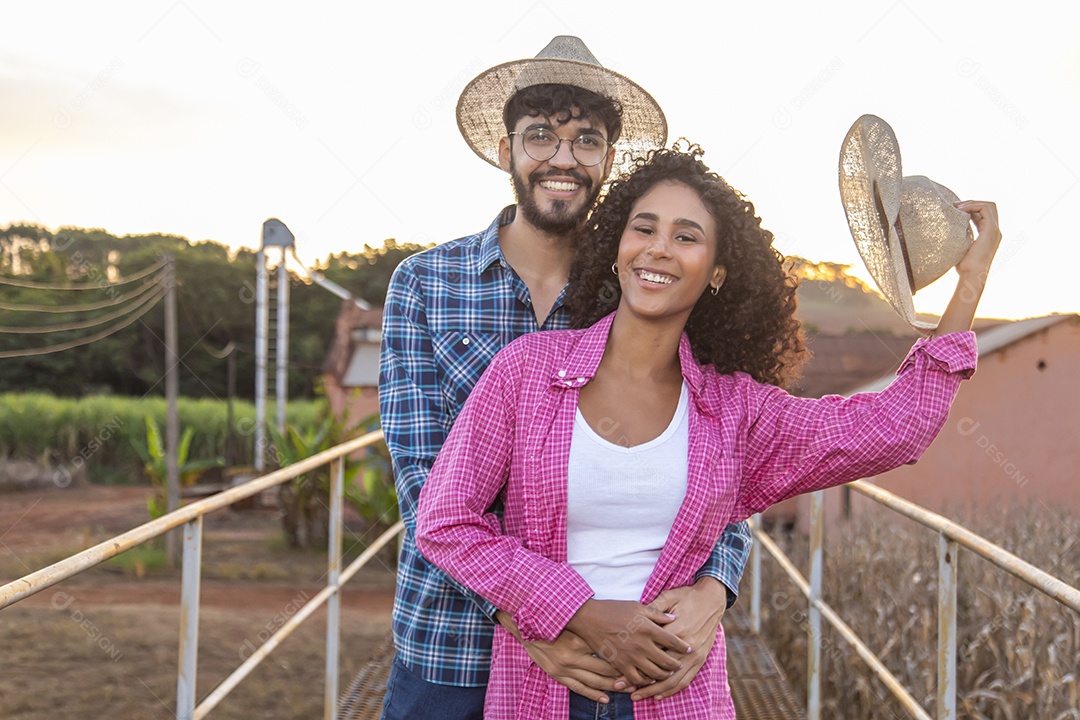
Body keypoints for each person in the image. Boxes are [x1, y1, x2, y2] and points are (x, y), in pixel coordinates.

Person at [415, 144, 1001, 719]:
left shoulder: (736, 412)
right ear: (617, 247)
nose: (659, 249)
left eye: (686, 236)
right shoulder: (527, 371)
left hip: (677, 699)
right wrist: (581, 611)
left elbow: (897, 428)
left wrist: (969, 284)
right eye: (643, 229)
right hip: (540, 692)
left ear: (717, 272)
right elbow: (446, 521)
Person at [378, 38, 753, 719]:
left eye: (586, 140)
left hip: (617, 658)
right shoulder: (425, 285)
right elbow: (422, 482)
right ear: (506, 150)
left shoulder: (646, 285)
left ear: (608, 161)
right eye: (541, 135)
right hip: (457, 642)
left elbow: (721, 462)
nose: (562, 157)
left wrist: (716, 589)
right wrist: (532, 618)